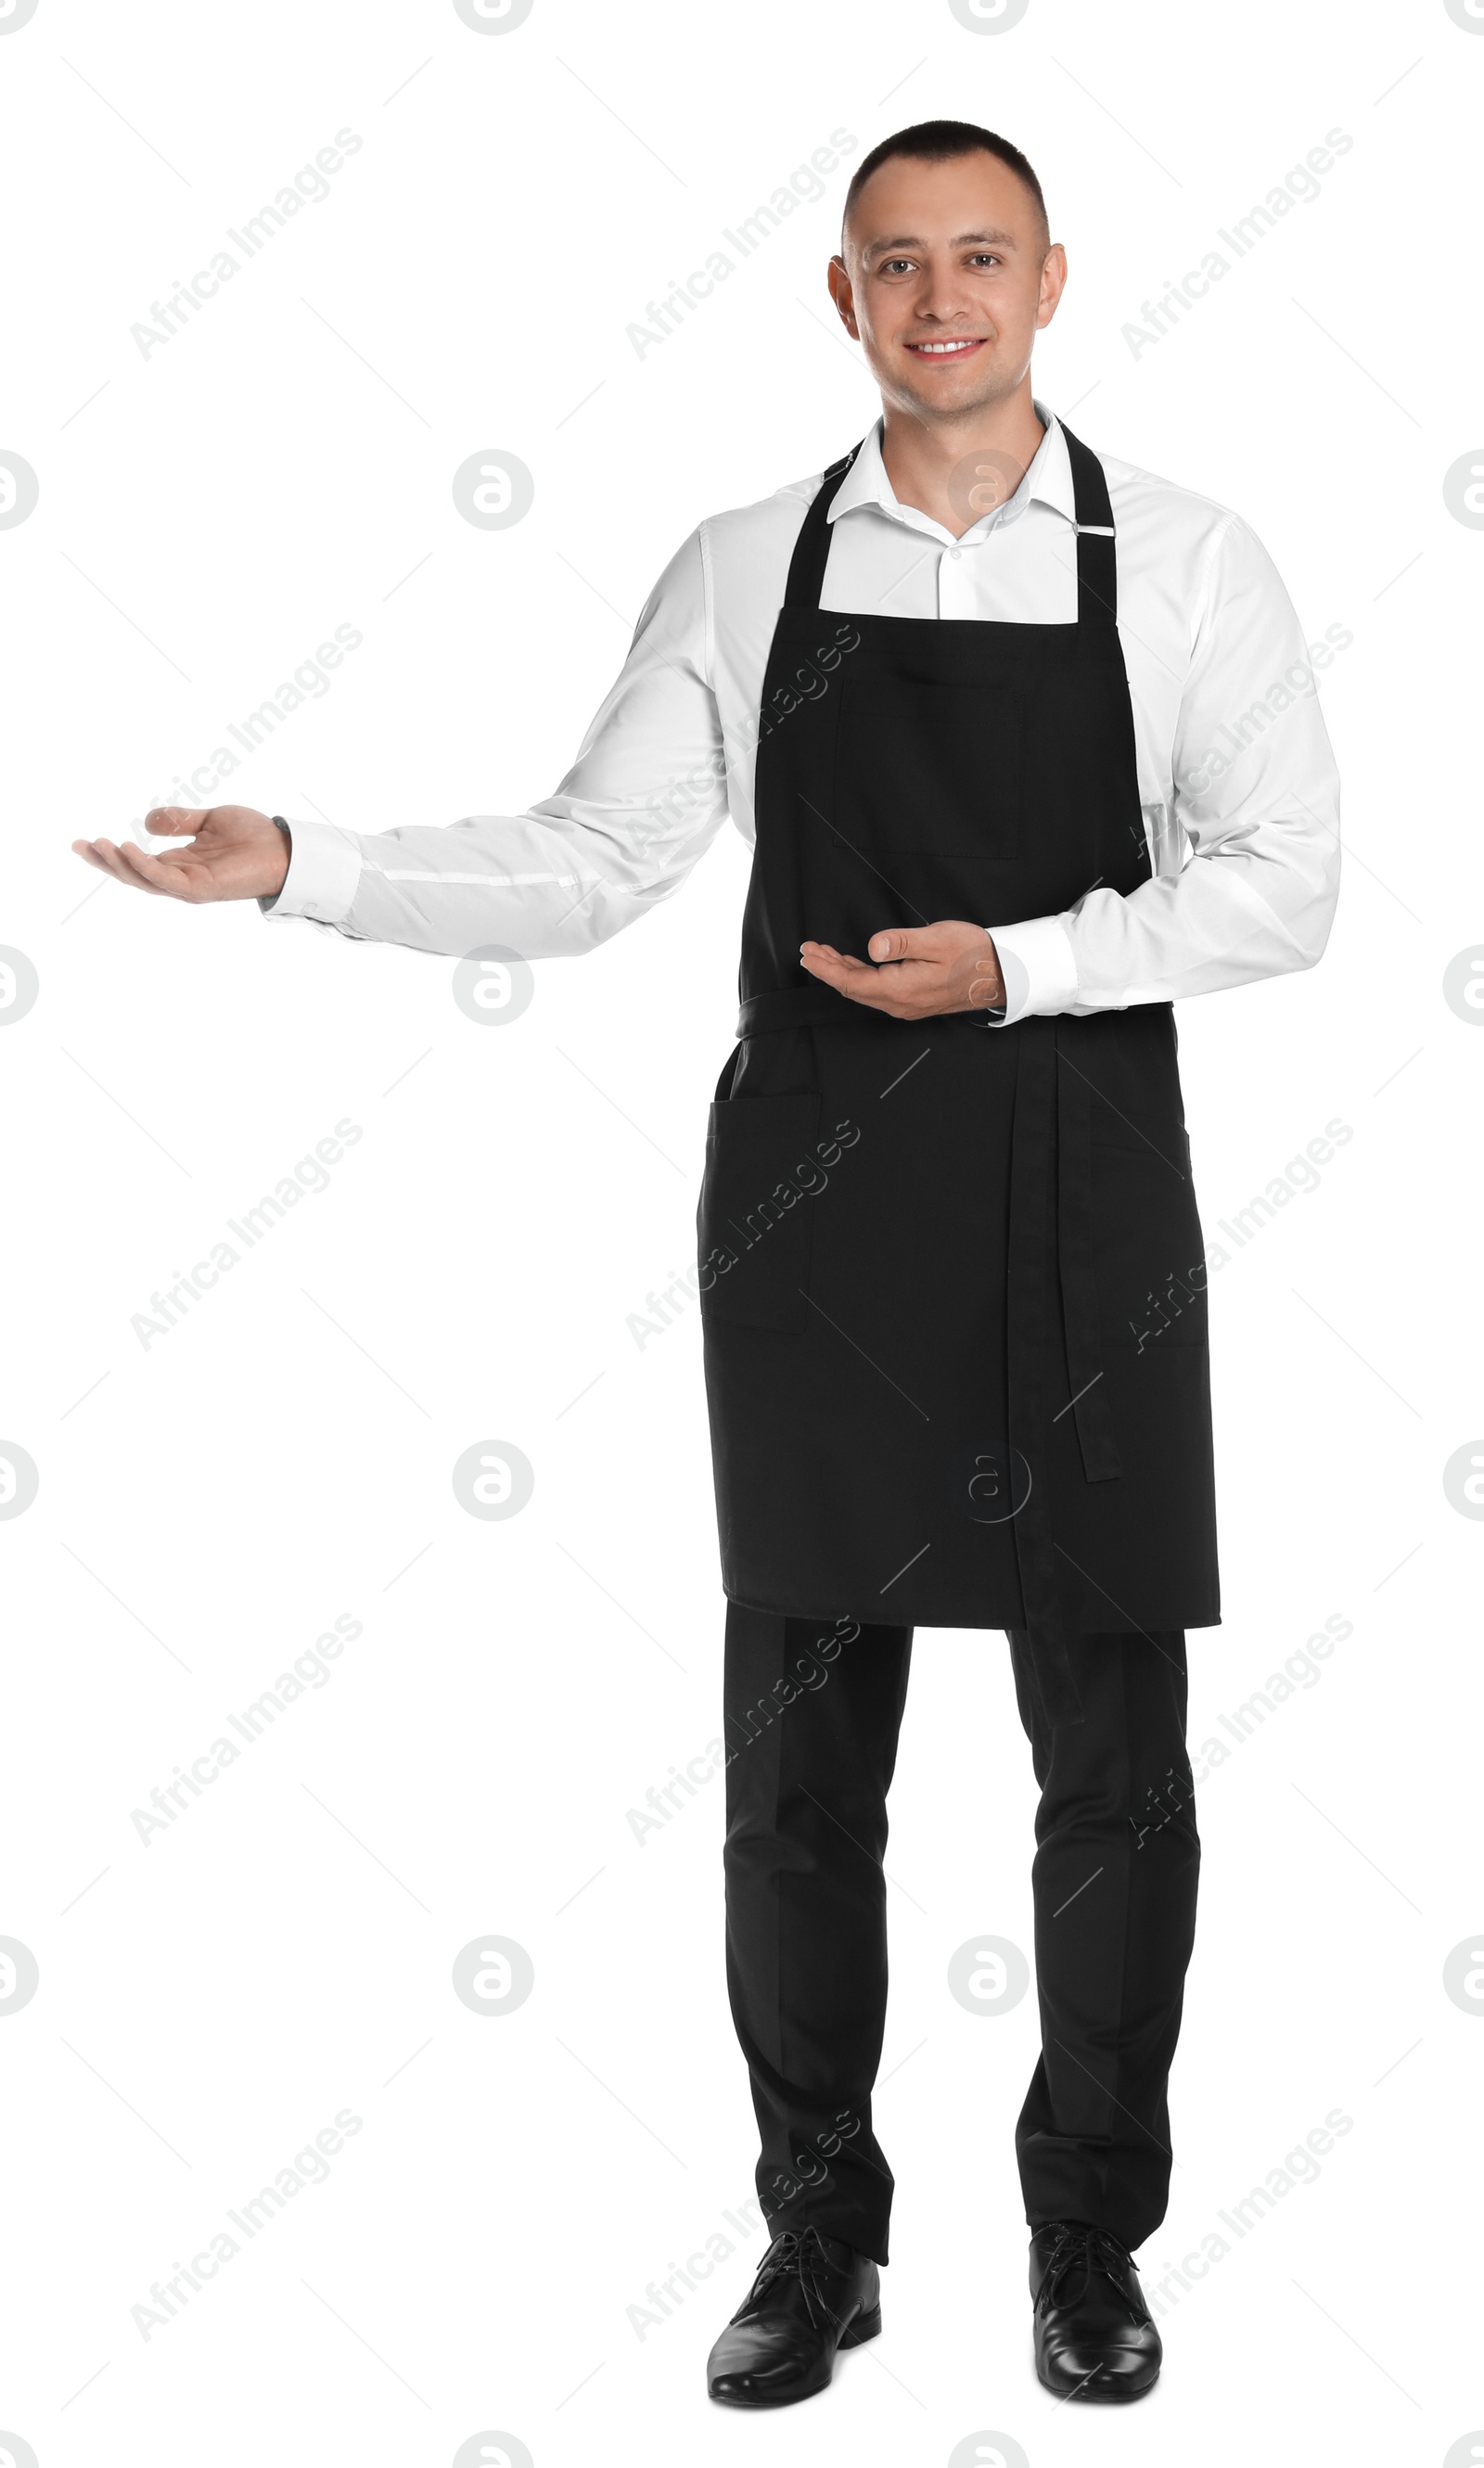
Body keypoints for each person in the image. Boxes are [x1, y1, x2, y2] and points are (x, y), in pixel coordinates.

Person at [74, 118, 1341, 2408]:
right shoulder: (749, 563)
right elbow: (586, 862)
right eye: (892, 265)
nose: (937, 299)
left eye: (978, 259)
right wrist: (305, 859)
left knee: (1116, 1777)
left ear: (1052, 279)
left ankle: (1084, 2240)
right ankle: (815, 2238)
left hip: (1084, 1205)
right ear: (835, 300)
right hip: (823, 1223)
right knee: (792, 1778)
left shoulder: (1186, 562)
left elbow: (1284, 886)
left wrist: (1026, 962)